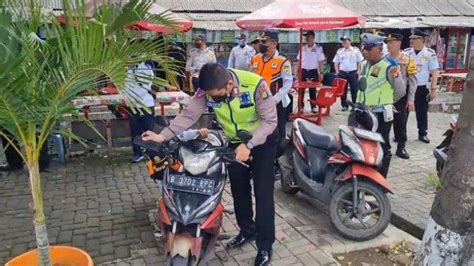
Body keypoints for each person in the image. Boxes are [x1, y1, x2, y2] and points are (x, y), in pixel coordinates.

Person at [142, 63, 278, 266]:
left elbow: (270, 121)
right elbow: (189, 115)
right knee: (239, 190)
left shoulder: (255, 85)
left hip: (262, 141)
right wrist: (162, 136)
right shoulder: (205, 91)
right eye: (210, 96)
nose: (213, 99)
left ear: (230, 84)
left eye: (217, 95)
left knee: (263, 194)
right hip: (234, 142)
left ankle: (265, 246)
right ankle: (247, 230)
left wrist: (248, 145)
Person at [356, 33, 406, 178]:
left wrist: (388, 102)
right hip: (363, 112)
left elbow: (400, 90)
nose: (365, 51)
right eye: (364, 48)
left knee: (382, 146)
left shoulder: (390, 66)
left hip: (380, 113)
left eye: (369, 49)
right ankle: (364, 175)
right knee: (363, 144)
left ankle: (379, 180)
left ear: (379, 48)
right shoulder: (364, 64)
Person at [250, 30, 292, 161]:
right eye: (260, 41)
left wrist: (275, 99)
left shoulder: (282, 61)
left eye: (265, 42)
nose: (261, 44)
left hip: (276, 103)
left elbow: (287, 84)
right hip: (257, 103)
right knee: (259, 129)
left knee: (278, 132)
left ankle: (278, 160)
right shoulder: (255, 59)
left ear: (274, 43)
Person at [404, 28, 440, 144]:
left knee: (422, 111)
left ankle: (422, 133)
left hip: (421, 86)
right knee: (404, 110)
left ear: (422, 40)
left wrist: (433, 89)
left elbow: (434, 71)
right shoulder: (407, 52)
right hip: (408, 86)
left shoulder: (430, 53)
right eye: (411, 39)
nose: (412, 41)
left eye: (414, 39)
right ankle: (401, 133)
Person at [386, 33, 418, 159]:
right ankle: (386, 147)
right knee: (385, 122)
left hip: (401, 96)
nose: (389, 44)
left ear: (399, 43)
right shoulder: (384, 59)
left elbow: (413, 80)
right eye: (388, 42)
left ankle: (401, 147)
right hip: (385, 96)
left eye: (392, 42)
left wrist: (411, 99)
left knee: (401, 122)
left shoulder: (407, 59)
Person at [123, 61, 156, 163]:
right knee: (135, 131)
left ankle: (151, 153)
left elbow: (147, 84)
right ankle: (137, 153)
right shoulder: (128, 69)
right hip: (132, 106)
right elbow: (125, 85)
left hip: (146, 104)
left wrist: (134, 97)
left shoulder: (146, 67)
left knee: (148, 129)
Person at [296, 30, 326, 113]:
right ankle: (301, 106)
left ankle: (313, 107)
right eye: (306, 37)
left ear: (313, 38)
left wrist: (321, 72)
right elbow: (299, 61)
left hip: (313, 71)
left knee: (312, 90)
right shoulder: (302, 48)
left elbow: (321, 61)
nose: (307, 38)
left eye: (309, 37)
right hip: (303, 71)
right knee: (301, 90)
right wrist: (297, 71)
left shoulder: (318, 48)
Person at [333, 35, 365, 111]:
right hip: (342, 73)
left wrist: (358, 70)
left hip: (353, 73)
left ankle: (354, 105)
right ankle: (344, 105)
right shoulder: (340, 51)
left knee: (354, 90)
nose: (344, 42)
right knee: (343, 90)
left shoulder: (355, 50)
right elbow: (335, 62)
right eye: (343, 41)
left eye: (346, 40)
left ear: (350, 41)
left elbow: (360, 61)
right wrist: (337, 71)